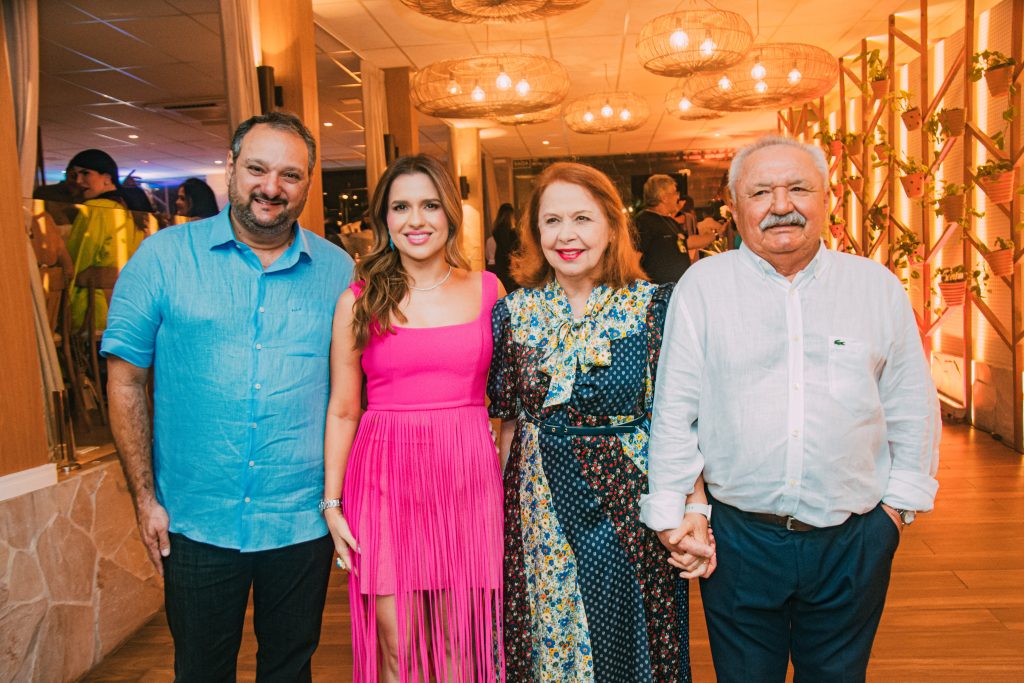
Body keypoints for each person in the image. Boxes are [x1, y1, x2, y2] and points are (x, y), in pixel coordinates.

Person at [642, 135, 941, 682]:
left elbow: (911, 404)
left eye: (798, 188)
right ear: (734, 207)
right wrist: (672, 511)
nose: (781, 205)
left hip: (852, 541)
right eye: (761, 192)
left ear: (827, 199)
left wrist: (894, 516)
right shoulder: (703, 288)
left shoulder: (875, 287)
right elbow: (674, 409)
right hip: (738, 544)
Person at [101, 111, 354, 681]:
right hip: (196, 520)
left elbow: (353, 393)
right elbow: (125, 381)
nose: (271, 188)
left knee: (289, 670)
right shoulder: (162, 259)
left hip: (300, 520)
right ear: (231, 168)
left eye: (290, 175)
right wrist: (145, 500)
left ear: (309, 183)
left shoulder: (339, 270)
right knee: (201, 670)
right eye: (258, 169)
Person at [488, 162, 714, 683]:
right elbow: (507, 425)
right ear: (535, 231)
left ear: (612, 226)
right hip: (538, 506)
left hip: (631, 503)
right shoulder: (513, 312)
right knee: (549, 637)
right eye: (552, 221)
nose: (566, 235)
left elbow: (674, 417)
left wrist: (694, 504)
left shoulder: (656, 306)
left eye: (583, 219)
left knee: (630, 643)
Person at [323, 154, 505, 682]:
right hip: (383, 482)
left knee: (458, 647)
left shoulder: (490, 291)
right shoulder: (358, 301)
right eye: (400, 207)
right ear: (384, 219)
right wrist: (333, 504)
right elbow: (342, 408)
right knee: (397, 648)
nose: (415, 220)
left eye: (428, 205)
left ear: (450, 213)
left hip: (467, 481)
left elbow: (512, 400)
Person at [65, 149, 146, 332]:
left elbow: (75, 263)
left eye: (86, 173)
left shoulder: (95, 209)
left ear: (107, 177)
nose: (79, 181)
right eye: (75, 175)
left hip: (92, 310)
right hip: (128, 310)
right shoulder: (131, 211)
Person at [634, 175, 720, 284]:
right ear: (663, 197)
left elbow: (687, 242)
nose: (678, 197)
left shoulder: (669, 221)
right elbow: (632, 260)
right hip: (657, 295)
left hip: (675, 290)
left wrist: (716, 235)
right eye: (675, 193)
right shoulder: (643, 221)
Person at [491, 202, 519, 292]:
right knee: (509, 286)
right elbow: (508, 247)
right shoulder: (507, 230)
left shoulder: (497, 228)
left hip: (500, 257)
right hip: (507, 260)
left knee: (503, 283)